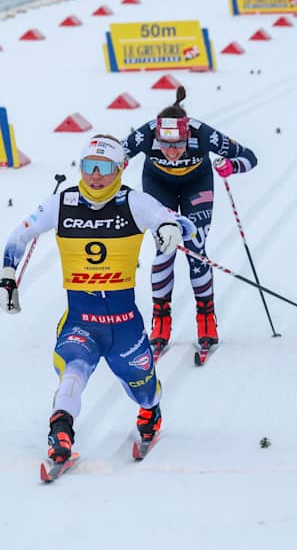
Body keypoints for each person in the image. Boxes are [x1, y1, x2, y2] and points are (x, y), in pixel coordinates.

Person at [1, 135, 197, 465]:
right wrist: (8, 274)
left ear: (120, 168)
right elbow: (20, 235)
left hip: (124, 325)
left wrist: (171, 228)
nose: (95, 175)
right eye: (89, 166)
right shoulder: (62, 203)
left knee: (144, 390)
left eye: (104, 168)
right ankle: (60, 432)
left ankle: (150, 412)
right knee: (72, 373)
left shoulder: (134, 202)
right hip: (81, 320)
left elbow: (178, 222)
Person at [122, 86, 258, 358]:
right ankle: (161, 323)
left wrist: (230, 167)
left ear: (187, 136)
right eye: (165, 144)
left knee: (196, 248)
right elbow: (116, 156)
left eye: (178, 144)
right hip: (158, 184)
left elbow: (250, 157)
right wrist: (115, 170)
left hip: (197, 183)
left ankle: (206, 318)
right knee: (165, 248)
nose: (172, 151)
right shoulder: (147, 133)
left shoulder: (203, 134)